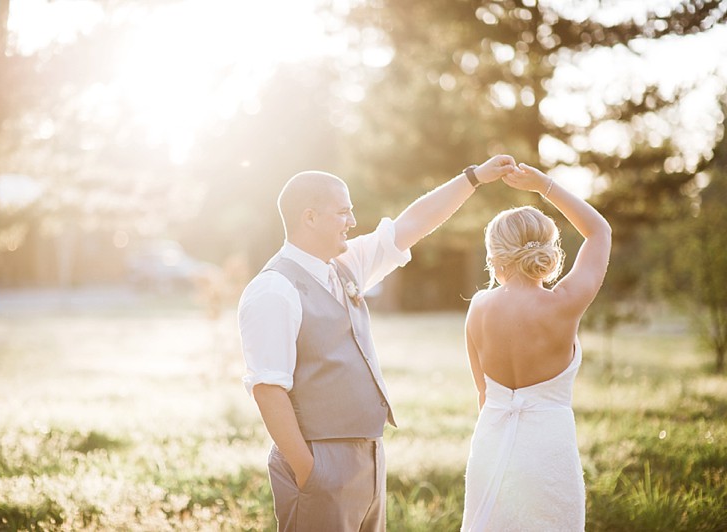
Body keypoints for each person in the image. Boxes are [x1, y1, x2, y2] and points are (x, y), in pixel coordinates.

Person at [238, 155, 516, 532]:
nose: (352, 222)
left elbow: (412, 224)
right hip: (320, 464)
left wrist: (473, 178)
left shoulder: (346, 264)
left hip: (369, 456)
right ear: (310, 217)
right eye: (343, 212)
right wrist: (309, 472)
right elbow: (268, 390)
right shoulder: (273, 289)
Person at [460, 163, 612, 532]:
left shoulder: (478, 306)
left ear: (494, 257)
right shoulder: (564, 303)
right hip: (548, 450)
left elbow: (484, 395)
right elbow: (599, 231)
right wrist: (544, 185)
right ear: (548, 253)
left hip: (491, 445)